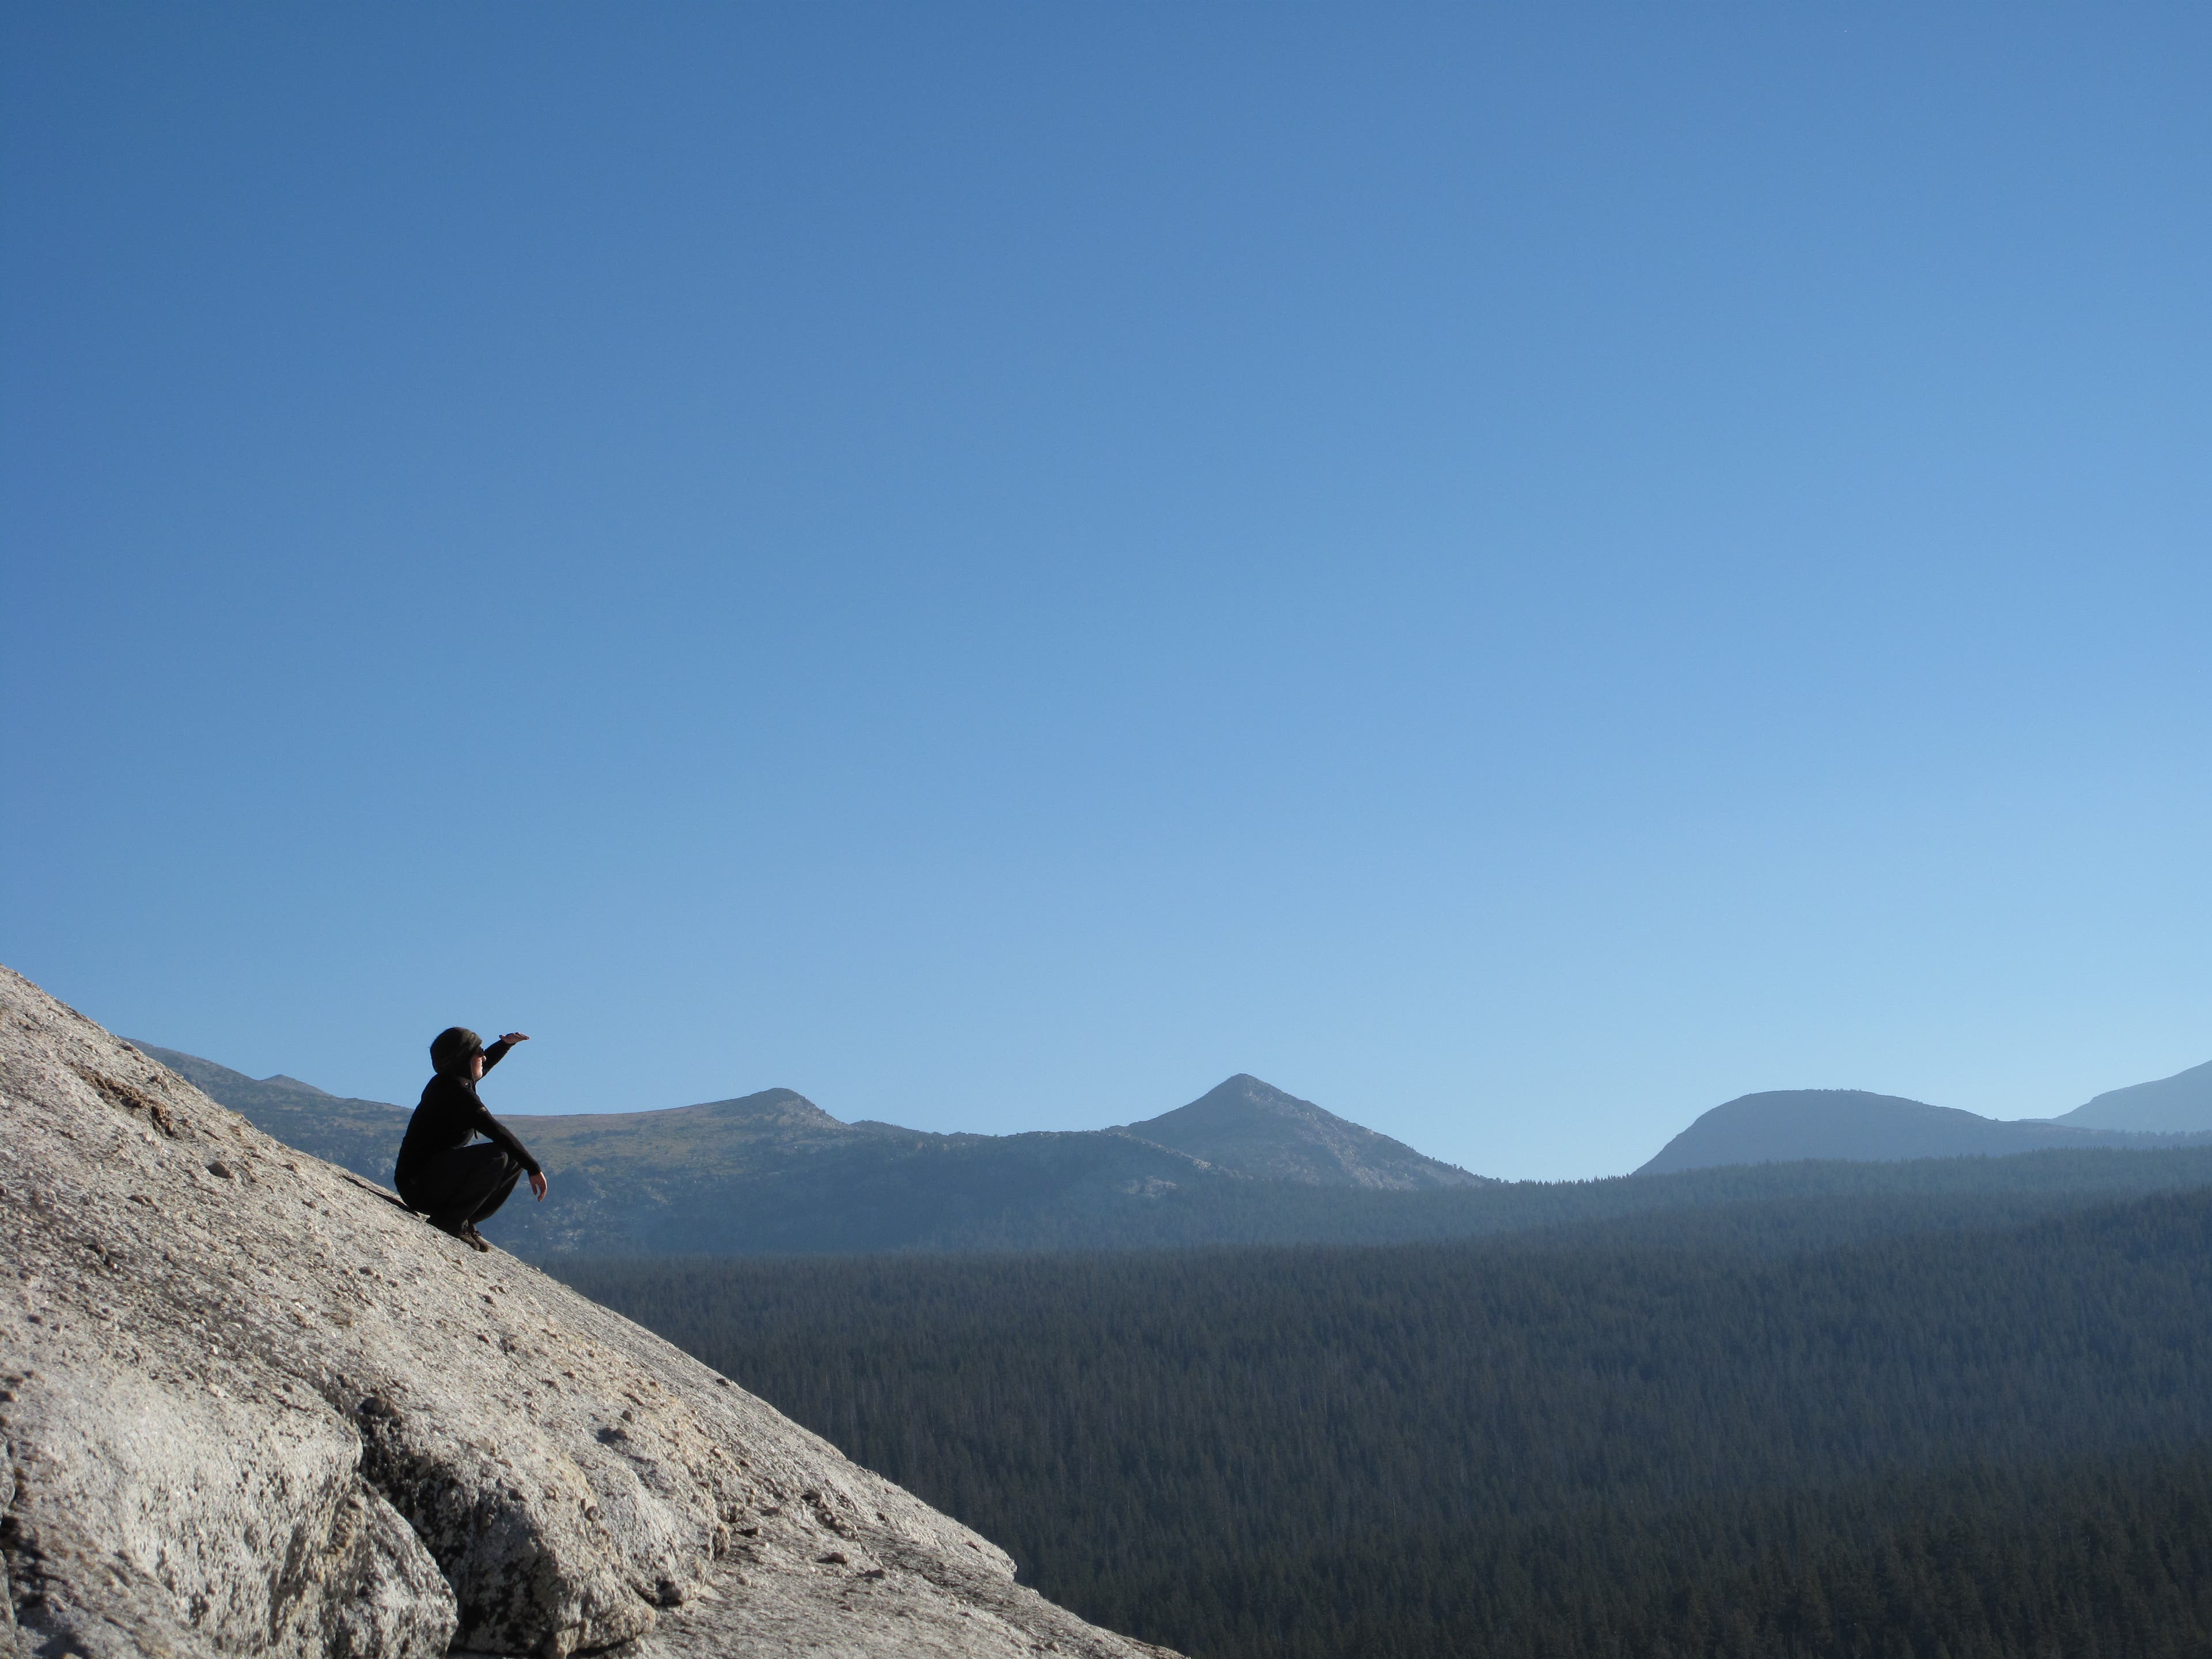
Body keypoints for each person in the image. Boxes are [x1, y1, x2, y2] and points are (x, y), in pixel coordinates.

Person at [393, 1026, 548, 1251]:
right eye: (479, 1052)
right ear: (463, 1060)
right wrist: (534, 1168)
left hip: (432, 1181)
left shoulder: (453, 1082)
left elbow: (484, 1065)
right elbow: (496, 1130)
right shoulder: (453, 1094)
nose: (484, 1057)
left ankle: (466, 1220)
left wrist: (505, 1045)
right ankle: (450, 1221)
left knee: (513, 1159)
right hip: (419, 1187)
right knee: (498, 1155)